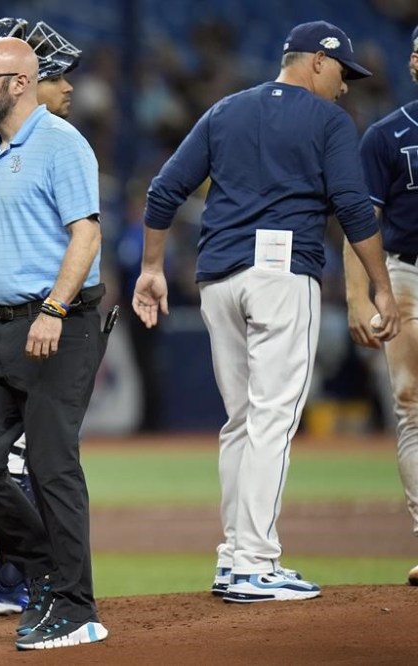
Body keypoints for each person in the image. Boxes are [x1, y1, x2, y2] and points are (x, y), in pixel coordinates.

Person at [132, 20, 400, 603]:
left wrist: (152, 269)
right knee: (273, 422)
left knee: (241, 423)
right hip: (282, 276)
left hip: (217, 280)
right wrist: (381, 286)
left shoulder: (225, 109)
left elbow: (162, 191)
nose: (347, 87)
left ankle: (233, 559)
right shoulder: (328, 120)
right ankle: (255, 564)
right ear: (317, 64)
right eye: (343, 74)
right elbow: (355, 208)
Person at [0, 37, 109, 651]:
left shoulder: (62, 143)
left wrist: (54, 308)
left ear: (19, 82)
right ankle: (44, 567)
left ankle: (76, 607)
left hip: (57, 324)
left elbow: (86, 236)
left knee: (51, 464)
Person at [343, 24, 418, 587]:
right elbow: (357, 222)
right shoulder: (387, 136)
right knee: (412, 404)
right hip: (407, 275)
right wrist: (360, 296)